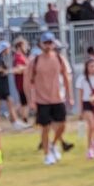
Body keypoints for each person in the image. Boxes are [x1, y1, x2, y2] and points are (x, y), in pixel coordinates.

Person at [26, 31, 72, 166]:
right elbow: (29, 81)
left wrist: (70, 96)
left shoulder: (59, 58)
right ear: (41, 44)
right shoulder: (35, 61)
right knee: (44, 128)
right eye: (45, 43)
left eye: (50, 42)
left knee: (62, 125)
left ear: (53, 44)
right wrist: (31, 100)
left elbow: (66, 77)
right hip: (42, 99)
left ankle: (53, 144)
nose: (47, 45)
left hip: (58, 97)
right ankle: (47, 154)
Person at [75, 57, 94, 159]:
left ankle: (93, 145)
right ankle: (90, 147)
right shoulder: (82, 78)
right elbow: (81, 94)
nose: (93, 68)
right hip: (87, 103)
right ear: (86, 67)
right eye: (91, 66)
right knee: (92, 126)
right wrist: (81, 110)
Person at [0, 41, 20, 129]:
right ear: (4, 49)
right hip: (1, 85)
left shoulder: (1, 58)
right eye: (8, 48)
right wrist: (10, 71)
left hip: (2, 84)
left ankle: (14, 121)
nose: (9, 50)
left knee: (9, 102)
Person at [12, 38, 30, 125]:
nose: (26, 47)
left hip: (25, 82)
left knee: (23, 101)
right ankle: (24, 119)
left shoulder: (22, 56)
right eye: (24, 45)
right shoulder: (18, 56)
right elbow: (18, 69)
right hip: (21, 83)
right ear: (20, 46)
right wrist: (29, 68)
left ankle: (13, 114)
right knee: (24, 102)